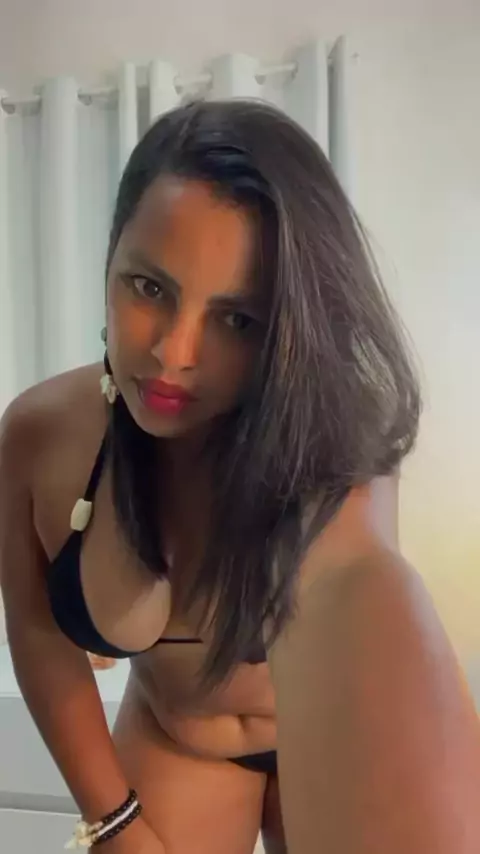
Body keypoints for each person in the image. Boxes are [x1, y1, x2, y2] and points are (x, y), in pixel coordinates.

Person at [0, 100, 479, 854]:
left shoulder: (335, 454)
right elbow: (35, 628)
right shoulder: (39, 434)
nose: (173, 354)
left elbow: (354, 577)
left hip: (326, 739)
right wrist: (113, 819)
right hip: (178, 737)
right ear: (110, 254)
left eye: (237, 319)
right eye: (148, 288)